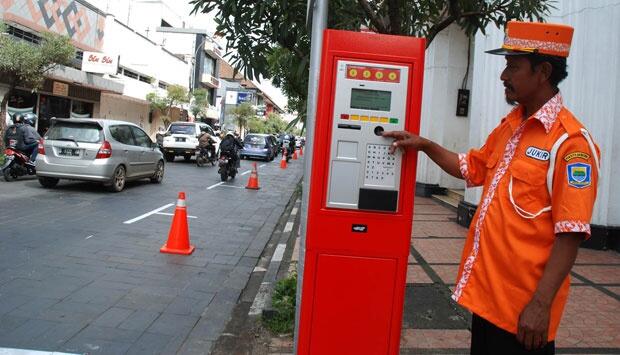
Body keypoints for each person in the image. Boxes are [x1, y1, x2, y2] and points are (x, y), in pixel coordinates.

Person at [383, 21, 599, 354]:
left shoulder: (570, 143)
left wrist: (540, 306)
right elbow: (472, 168)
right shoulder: (511, 127)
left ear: (543, 71)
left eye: (513, 66)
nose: (503, 76)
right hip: (488, 304)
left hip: (525, 315)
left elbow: (570, 233)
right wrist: (425, 145)